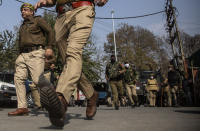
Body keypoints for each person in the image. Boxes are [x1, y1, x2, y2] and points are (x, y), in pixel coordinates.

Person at [34, 0, 108, 127]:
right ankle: (91, 94)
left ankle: (61, 100)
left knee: (73, 51)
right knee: (68, 63)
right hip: (61, 15)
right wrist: (44, 2)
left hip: (82, 9)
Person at [8, 3, 54, 116]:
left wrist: (49, 47)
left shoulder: (38, 20)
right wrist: (19, 55)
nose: (23, 12)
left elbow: (50, 31)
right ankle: (22, 107)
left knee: (38, 81)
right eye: (22, 10)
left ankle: (55, 99)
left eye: (25, 10)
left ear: (32, 11)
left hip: (36, 52)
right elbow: (20, 42)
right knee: (18, 79)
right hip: (23, 55)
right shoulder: (22, 25)